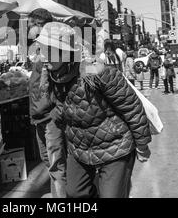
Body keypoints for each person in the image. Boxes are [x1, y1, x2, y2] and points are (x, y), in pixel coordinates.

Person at [36, 22, 152, 198]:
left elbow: (131, 106)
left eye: (48, 50)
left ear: (66, 52)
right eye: (41, 50)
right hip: (80, 148)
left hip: (115, 146)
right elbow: (61, 114)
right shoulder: (52, 78)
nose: (43, 57)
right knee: (74, 193)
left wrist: (142, 145)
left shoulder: (93, 70)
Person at [27, 8, 67, 198]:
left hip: (50, 115)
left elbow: (65, 82)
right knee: (48, 161)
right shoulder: (38, 48)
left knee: (56, 166)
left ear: (40, 25)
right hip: (39, 115)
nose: (28, 31)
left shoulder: (56, 46)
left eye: (30, 26)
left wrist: (57, 111)